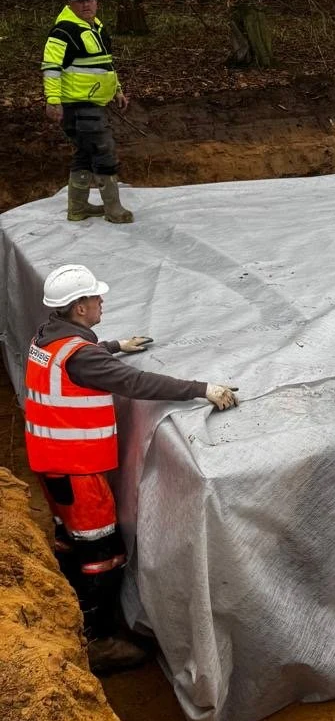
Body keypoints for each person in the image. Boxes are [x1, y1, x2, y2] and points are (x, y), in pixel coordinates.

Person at [24, 263, 239, 675]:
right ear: (79, 306)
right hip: (77, 470)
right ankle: (99, 639)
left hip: (50, 462)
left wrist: (113, 345)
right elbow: (134, 384)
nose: (102, 301)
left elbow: (80, 359)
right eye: (96, 297)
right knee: (103, 553)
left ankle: (67, 598)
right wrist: (200, 390)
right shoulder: (82, 358)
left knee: (70, 538)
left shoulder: (46, 337)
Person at [42, 0, 133, 224]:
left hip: (93, 103)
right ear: (69, 2)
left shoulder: (95, 26)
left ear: (96, 0)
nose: (86, 5)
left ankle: (77, 209)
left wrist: (117, 90)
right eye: (80, 1)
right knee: (103, 151)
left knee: (85, 152)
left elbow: (104, 65)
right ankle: (113, 209)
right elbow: (51, 67)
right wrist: (53, 100)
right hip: (78, 105)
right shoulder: (64, 30)